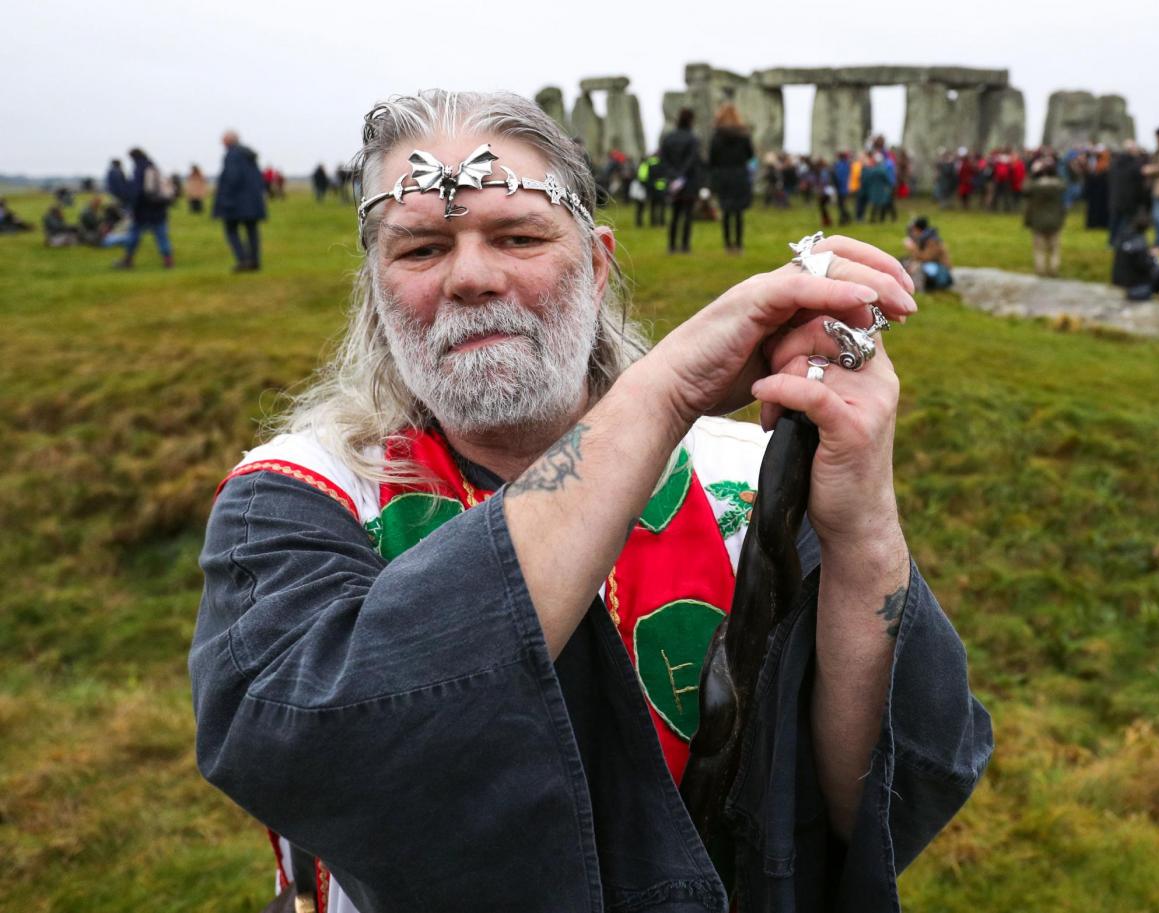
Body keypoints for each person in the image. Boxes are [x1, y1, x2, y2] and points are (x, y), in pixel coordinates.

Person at [190, 89, 990, 913]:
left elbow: (887, 792)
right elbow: (308, 742)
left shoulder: (744, 482)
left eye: (519, 236)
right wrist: (662, 392)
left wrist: (862, 528)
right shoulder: (300, 495)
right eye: (421, 248)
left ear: (599, 263)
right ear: (376, 290)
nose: (471, 276)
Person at [212, 130, 269, 272]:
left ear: (229, 141)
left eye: (223, 139)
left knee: (231, 230)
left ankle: (243, 260)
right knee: (252, 231)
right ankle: (254, 260)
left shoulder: (233, 155)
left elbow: (232, 178)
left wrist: (224, 200)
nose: (221, 142)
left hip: (235, 203)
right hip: (252, 202)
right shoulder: (249, 156)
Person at [113, 147, 173, 269]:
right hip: (158, 208)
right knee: (162, 236)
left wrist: (132, 207)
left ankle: (127, 260)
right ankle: (168, 260)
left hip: (142, 210)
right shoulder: (153, 166)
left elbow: (137, 192)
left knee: (134, 235)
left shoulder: (139, 169)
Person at [707, 102, 754, 253]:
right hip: (739, 174)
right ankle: (739, 244)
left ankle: (728, 244)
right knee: (738, 212)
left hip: (723, 175)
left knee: (726, 210)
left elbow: (712, 159)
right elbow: (750, 155)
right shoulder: (743, 136)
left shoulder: (717, 136)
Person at [1112, 213, 1159, 302]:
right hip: (1136, 282)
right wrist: (1153, 256)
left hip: (1118, 279)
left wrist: (1148, 254)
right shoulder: (1140, 242)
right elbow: (1145, 265)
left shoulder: (1124, 236)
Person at [659, 107, 701, 253]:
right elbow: (692, 160)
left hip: (672, 181)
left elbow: (663, 159)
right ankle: (685, 245)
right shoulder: (693, 139)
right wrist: (682, 175)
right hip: (688, 181)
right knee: (687, 215)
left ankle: (671, 246)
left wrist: (673, 175)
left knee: (675, 215)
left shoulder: (668, 138)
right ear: (691, 121)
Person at [1024, 157, 1067, 277]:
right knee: (1055, 249)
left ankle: (1040, 270)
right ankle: (1054, 269)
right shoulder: (1059, 186)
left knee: (1039, 249)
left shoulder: (1035, 186)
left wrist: (1033, 173)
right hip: (1055, 220)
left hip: (1038, 220)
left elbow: (1024, 189)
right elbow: (1064, 183)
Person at [902, 215, 954, 290]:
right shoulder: (923, 238)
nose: (912, 233)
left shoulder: (932, 240)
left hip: (940, 269)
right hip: (933, 265)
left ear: (918, 229)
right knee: (906, 262)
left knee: (916, 267)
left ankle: (917, 287)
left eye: (914, 230)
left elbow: (927, 257)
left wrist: (912, 248)